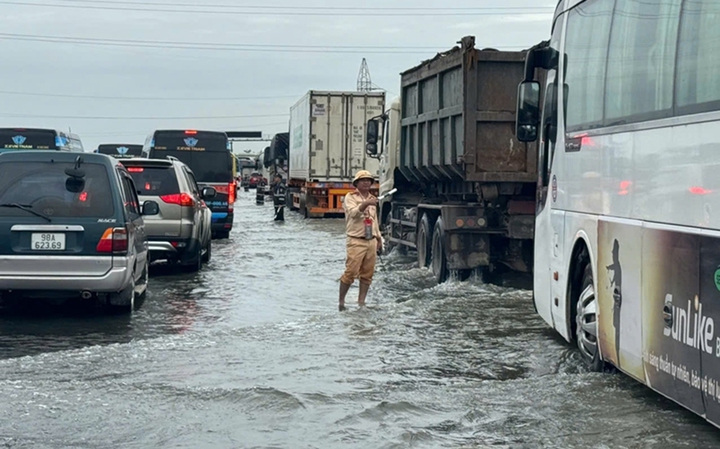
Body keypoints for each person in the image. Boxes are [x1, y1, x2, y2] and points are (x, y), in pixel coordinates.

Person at [338, 170, 382, 311]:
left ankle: (361, 302)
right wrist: (365, 204)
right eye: (363, 180)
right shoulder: (350, 197)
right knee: (350, 272)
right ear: (356, 183)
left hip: (371, 240)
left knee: (367, 274)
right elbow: (353, 214)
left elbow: (374, 221)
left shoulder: (372, 198)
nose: (366, 182)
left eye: (369, 180)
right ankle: (341, 302)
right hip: (356, 240)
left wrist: (379, 238)